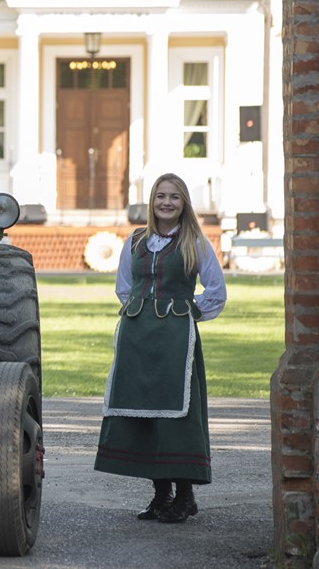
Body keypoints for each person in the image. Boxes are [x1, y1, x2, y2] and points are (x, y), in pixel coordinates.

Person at [94, 173, 227, 524]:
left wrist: (185, 314)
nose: (166, 202)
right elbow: (124, 288)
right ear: (152, 202)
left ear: (184, 203)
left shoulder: (194, 241)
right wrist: (144, 312)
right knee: (145, 413)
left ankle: (185, 496)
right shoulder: (136, 241)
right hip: (137, 337)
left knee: (178, 415)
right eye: (160, 196)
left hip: (175, 340)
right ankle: (160, 494)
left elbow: (216, 292)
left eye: (174, 197)